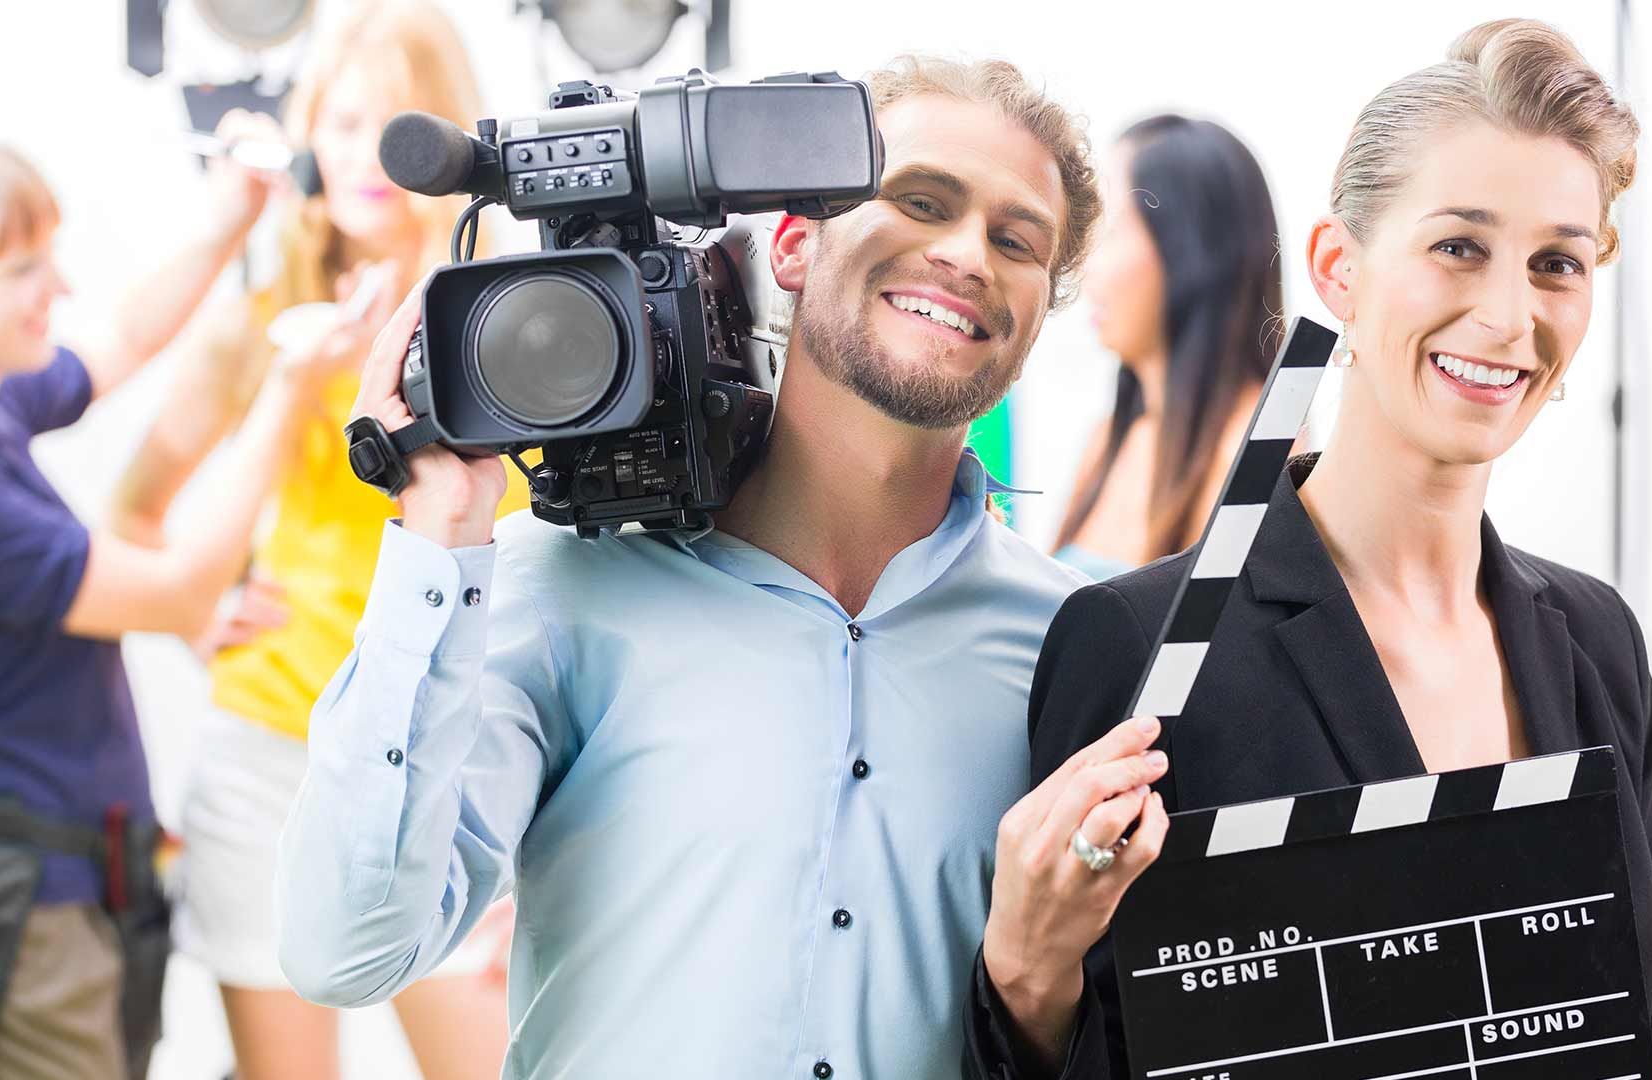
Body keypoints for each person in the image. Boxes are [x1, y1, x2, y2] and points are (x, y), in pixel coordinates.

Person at [275, 55, 1100, 1077]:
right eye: (918, 200)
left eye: (1015, 240)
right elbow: (344, 949)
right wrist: (440, 526)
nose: (967, 252)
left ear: (1036, 315)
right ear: (793, 246)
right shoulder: (559, 586)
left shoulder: (1072, 642)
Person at [968, 19, 1652, 1080]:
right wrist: (1025, 975)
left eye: (1556, 263)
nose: (1513, 317)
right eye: (1459, 245)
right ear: (1338, 268)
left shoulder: (1597, 640)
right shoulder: (1135, 648)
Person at [103, 3, 523, 1077]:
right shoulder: (260, 327)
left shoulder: (524, 327)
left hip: (455, 771)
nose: (366, 155)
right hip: (268, 764)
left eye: (396, 124)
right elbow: (133, 516)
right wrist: (204, 618)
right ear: (308, 138)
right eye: (342, 123)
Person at [0, 123, 317, 1080]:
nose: (60, 290)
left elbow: (121, 341)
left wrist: (225, 223)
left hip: (75, 892)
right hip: (17, 924)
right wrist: (291, 386)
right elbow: (181, 589)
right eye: (26, 268)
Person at [1053, 115, 1282, 580]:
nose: (1084, 266)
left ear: (1190, 248)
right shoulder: (1108, 441)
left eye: (1109, 231)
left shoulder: (1258, 458)